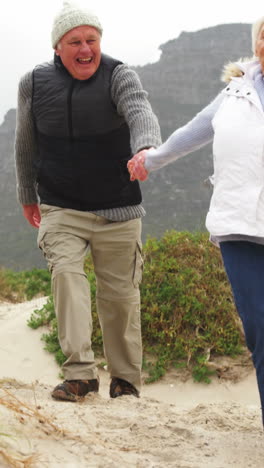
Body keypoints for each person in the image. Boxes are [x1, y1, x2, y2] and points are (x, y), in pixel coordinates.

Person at [14, 1, 161, 401]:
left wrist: (146, 148)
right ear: (57, 48)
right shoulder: (33, 82)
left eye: (91, 40)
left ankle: (125, 380)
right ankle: (80, 373)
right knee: (66, 276)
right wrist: (27, 195)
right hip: (61, 206)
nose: (85, 49)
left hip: (118, 209)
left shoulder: (119, 74)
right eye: (75, 41)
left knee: (120, 297)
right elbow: (25, 143)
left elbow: (140, 111)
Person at [128, 16, 264, 425]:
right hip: (240, 227)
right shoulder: (236, 92)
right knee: (259, 327)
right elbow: (194, 131)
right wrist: (149, 159)